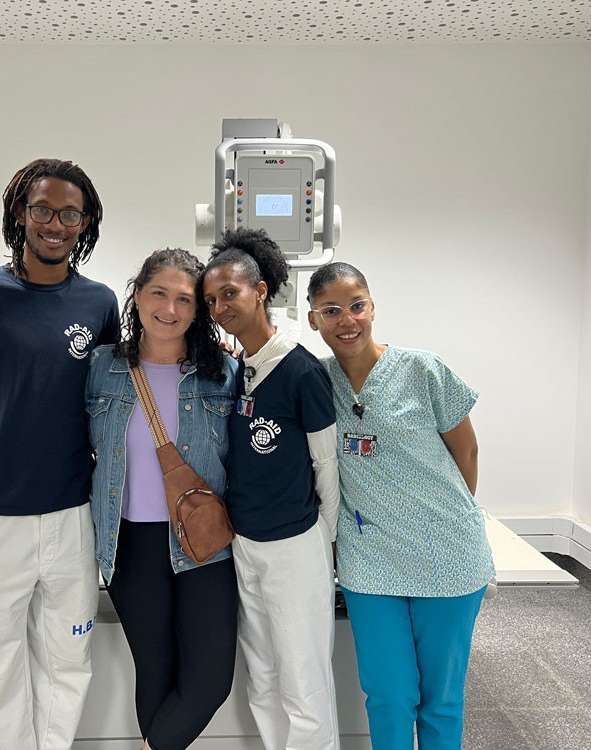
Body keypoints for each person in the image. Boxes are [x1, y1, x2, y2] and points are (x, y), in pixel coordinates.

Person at [0, 158, 119, 750]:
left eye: (70, 214)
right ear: (20, 212)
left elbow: (112, 405)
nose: (55, 224)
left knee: (68, 662)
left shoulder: (99, 304)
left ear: (85, 222)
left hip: (71, 517)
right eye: (43, 209)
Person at [306, 261, 495, 750]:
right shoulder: (316, 380)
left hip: (447, 556)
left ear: (373, 308)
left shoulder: (422, 370)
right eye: (331, 310)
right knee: (389, 696)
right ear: (313, 319)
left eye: (357, 306)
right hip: (369, 561)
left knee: (441, 698)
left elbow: (467, 451)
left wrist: (445, 520)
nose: (347, 320)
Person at [86, 247, 239, 750]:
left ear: (199, 309)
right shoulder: (102, 367)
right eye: (158, 293)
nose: (169, 309)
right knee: (155, 670)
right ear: (137, 295)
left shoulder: (223, 372)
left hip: (204, 543)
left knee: (210, 680)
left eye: (184, 299)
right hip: (130, 543)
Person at [200, 228, 341, 750]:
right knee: (262, 679)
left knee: (304, 680)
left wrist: (324, 542)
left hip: (294, 545)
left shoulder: (301, 371)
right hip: (245, 543)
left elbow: (327, 466)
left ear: (260, 292)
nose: (219, 308)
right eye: (210, 300)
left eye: (229, 294)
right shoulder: (239, 369)